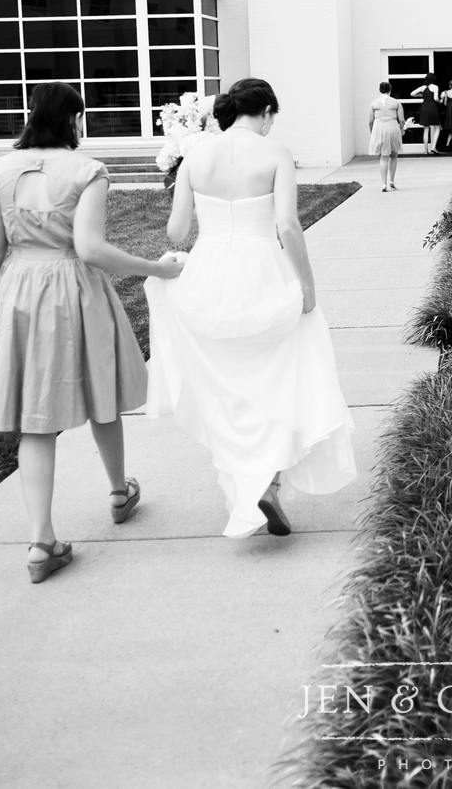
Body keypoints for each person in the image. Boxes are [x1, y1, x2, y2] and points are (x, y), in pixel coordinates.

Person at [0, 82, 185, 583]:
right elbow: (90, 248)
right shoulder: (88, 170)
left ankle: (42, 542)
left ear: (31, 115)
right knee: (100, 388)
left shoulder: (0, 169)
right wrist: (157, 268)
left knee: (36, 418)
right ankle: (119, 492)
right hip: (74, 288)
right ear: (74, 119)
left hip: (19, 290)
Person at [143, 78, 357, 537]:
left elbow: (177, 233)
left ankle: (248, 482)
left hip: (211, 273)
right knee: (281, 373)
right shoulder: (275, 152)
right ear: (263, 112)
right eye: (272, 116)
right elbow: (287, 226)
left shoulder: (194, 159)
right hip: (263, 271)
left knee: (227, 385)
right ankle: (269, 482)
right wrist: (307, 286)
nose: (271, 124)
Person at [368, 80, 403, 190]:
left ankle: (384, 183)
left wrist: (372, 132)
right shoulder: (396, 103)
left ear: (379, 90)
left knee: (383, 157)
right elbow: (401, 120)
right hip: (392, 126)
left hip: (379, 127)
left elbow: (370, 121)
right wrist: (401, 130)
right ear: (390, 90)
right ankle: (392, 180)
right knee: (393, 155)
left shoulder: (374, 103)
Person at [409, 74, 443, 154]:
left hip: (424, 107)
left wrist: (421, 95)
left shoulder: (423, 87)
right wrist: (440, 101)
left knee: (426, 129)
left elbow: (412, 94)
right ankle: (433, 147)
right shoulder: (435, 87)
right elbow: (435, 98)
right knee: (437, 127)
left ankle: (425, 150)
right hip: (433, 107)